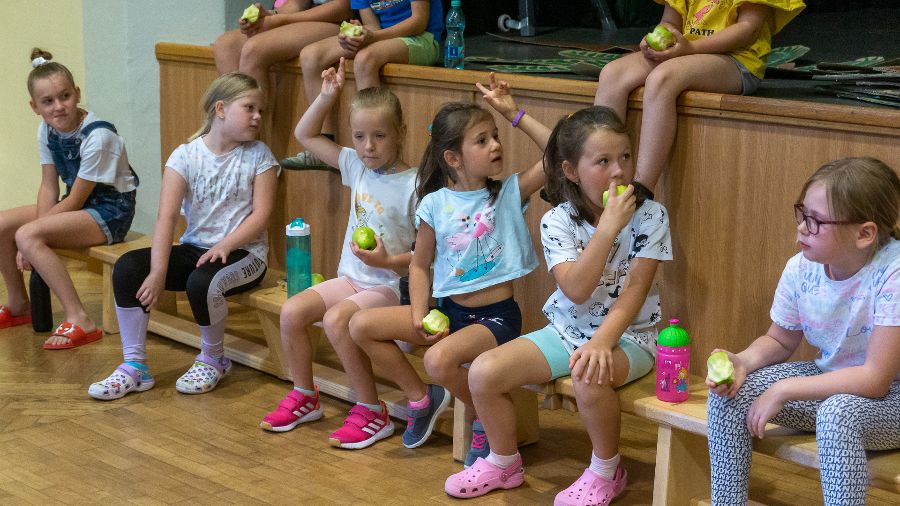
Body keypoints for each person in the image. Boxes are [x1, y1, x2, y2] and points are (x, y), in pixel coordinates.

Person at [444, 106, 673, 504]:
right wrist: (607, 229)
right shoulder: (557, 221)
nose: (619, 171)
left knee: (588, 374)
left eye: (625, 157)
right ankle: (503, 462)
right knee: (483, 372)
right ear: (571, 171)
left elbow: (635, 291)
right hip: (566, 331)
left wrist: (602, 342)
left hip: (630, 337)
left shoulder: (651, 215)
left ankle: (606, 471)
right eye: (603, 161)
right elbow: (577, 290)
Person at [349, 73, 550, 463]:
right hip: (447, 312)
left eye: (495, 136)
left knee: (437, 360)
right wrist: (419, 314)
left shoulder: (507, 194)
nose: (496, 145)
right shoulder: (434, 204)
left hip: (495, 319)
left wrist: (514, 113)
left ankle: (483, 414)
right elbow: (419, 266)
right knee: (360, 326)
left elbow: (557, 151)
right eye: (482, 140)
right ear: (453, 158)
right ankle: (423, 399)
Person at [706, 157, 900, 506]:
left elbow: (875, 379)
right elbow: (780, 340)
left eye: (816, 221)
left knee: (838, 414)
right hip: (833, 387)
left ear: (864, 234)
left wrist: (784, 388)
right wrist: (743, 362)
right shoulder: (800, 269)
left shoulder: (893, 272)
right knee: (731, 392)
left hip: (889, 402)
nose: (801, 228)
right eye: (802, 214)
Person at [87, 72, 278, 400]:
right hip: (196, 248)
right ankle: (135, 366)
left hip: (245, 254)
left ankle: (214, 359)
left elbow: (261, 216)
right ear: (221, 109)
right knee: (129, 268)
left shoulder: (259, 155)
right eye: (249, 108)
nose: (258, 116)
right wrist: (158, 272)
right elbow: (166, 217)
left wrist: (227, 244)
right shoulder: (186, 155)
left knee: (202, 282)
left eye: (260, 110)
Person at [258, 60, 418, 450]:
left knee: (336, 320)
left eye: (379, 136)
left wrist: (386, 262)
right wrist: (327, 96)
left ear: (401, 132)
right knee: (292, 311)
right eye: (359, 136)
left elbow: (425, 256)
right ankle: (304, 395)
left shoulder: (415, 184)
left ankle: (371, 410)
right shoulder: (355, 166)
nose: (368, 147)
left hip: (390, 288)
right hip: (351, 280)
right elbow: (304, 134)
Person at [593, 0, 805, 201]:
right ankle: (600, 174)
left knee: (661, 78)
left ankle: (640, 190)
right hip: (685, 53)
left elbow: (747, 29)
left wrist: (690, 49)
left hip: (737, 60)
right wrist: (659, 38)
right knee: (612, 73)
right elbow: (670, 21)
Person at [0, 48, 139, 349]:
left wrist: (30, 235)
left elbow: (75, 200)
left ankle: (80, 318)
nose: (58, 107)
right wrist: (34, 229)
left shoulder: (98, 136)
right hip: (78, 204)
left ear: (77, 93)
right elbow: (49, 187)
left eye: (65, 96)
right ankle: (18, 304)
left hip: (110, 212)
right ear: (34, 106)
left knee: (27, 235)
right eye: (48, 101)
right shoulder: (47, 130)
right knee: (3, 225)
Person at [282, 0, 443, 168]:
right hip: (381, 36)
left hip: (423, 37)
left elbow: (418, 22)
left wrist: (374, 37)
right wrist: (353, 35)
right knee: (310, 56)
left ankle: (377, 150)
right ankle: (324, 144)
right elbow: (372, 26)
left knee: (365, 59)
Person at [212, 0, 352, 104]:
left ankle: (256, 131)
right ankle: (234, 128)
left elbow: (343, 8)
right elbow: (297, 4)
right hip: (304, 18)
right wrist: (271, 14)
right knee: (226, 45)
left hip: (341, 24)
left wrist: (280, 20)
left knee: (254, 49)